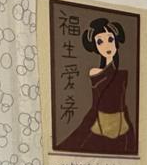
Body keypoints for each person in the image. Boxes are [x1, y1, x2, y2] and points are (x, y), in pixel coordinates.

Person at [59, 18, 137, 154]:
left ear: (116, 41)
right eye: (100, 42)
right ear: (95, 46)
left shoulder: (123, 74)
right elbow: (97, 103)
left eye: (110, 39)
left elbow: (122, 103)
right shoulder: (95, 72)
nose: (107, 46)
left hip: (122, 128)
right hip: (100, 127)